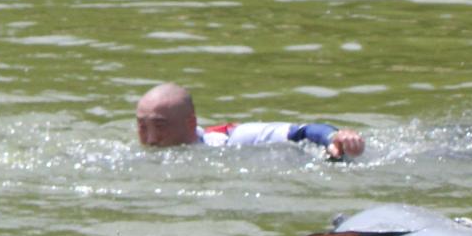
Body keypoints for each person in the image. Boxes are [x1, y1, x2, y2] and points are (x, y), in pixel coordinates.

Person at [135, 83, 365, 158]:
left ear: (190, 123)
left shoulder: (231, 140)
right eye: (142, 128)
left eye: (160, 126)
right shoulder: (134, 156)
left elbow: (303, 131)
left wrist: (335, 137)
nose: (151, 139)